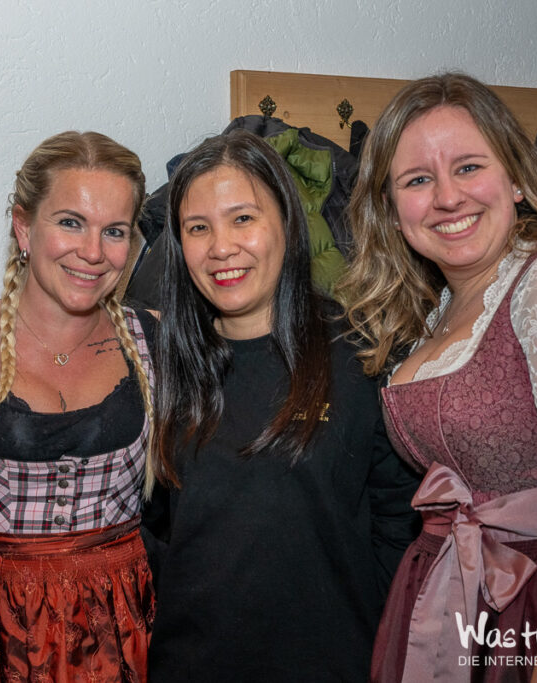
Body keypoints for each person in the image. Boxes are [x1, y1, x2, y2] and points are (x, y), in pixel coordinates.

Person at [339, 72, 537, 682]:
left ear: (515, 178)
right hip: (468, 610)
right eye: (417, 180)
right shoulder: (438, 308)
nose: (447, 197)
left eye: (468, 167)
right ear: (391, 209)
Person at [145, 129, 420, 682]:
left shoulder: (362, 354)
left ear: (288, 224)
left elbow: (399, 523)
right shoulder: (159, 361)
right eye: (198, 228)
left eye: (243, 218)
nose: (222, 247)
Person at [0, 131, 156, 681]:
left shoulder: (155, 341)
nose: (93, 252)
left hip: (123, 635)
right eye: (71, 222)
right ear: (24, 227)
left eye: (114, 231)